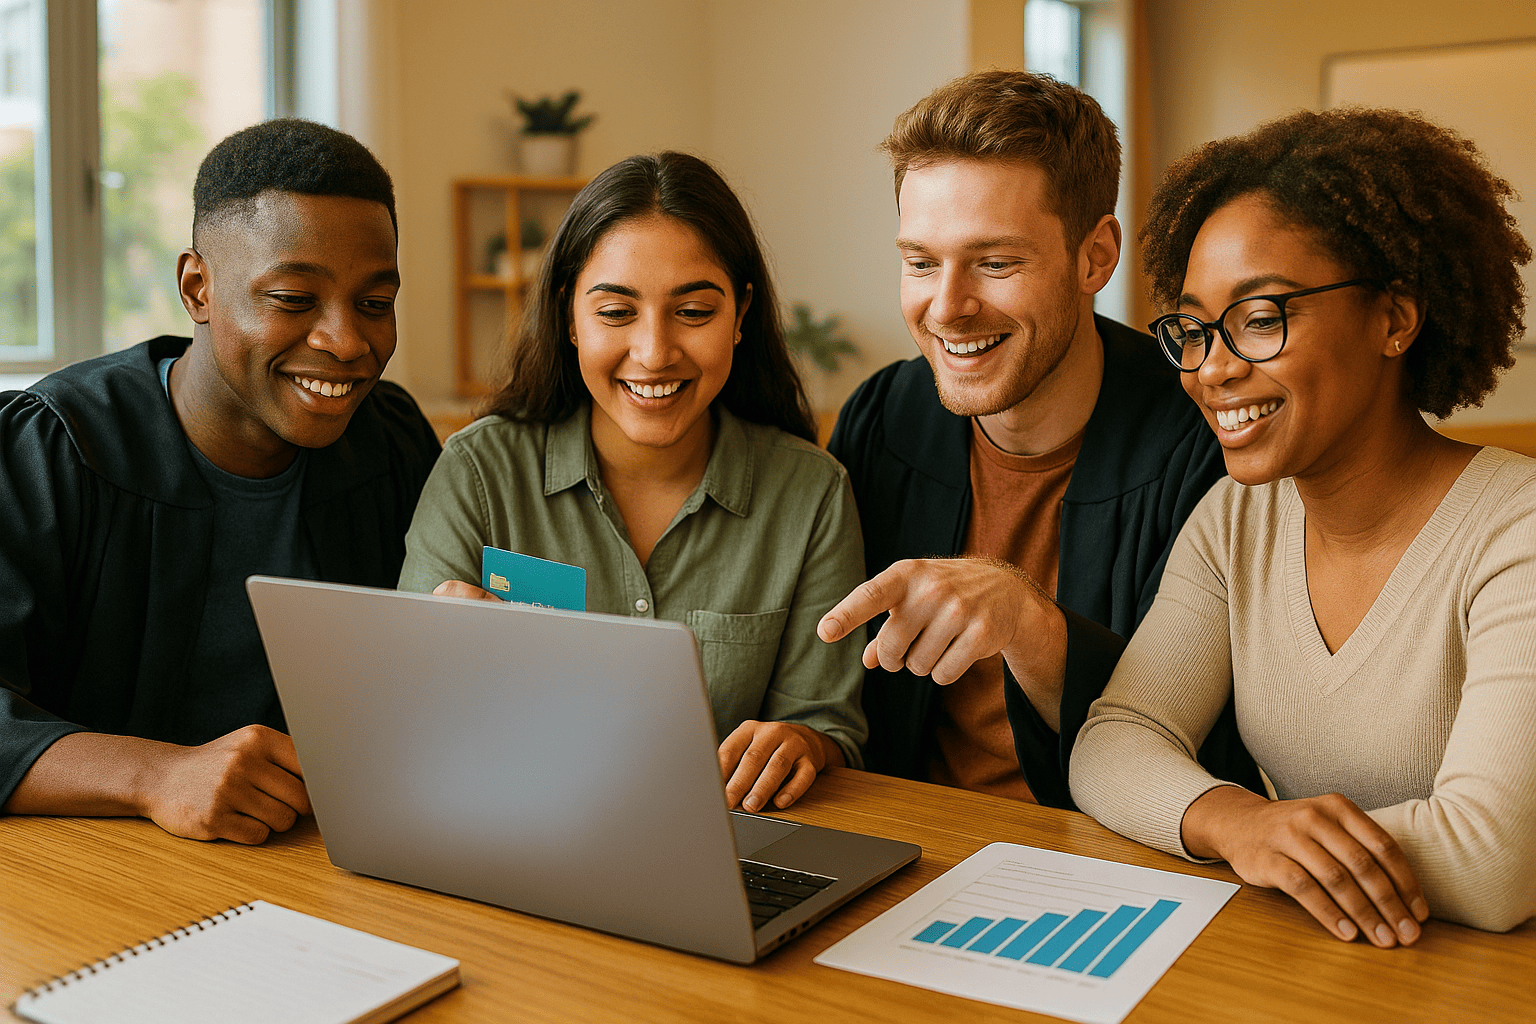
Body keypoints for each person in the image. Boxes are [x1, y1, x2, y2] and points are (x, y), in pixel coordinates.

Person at [1070, 108, 1536, 941]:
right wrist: (1234, 823)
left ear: (1394, 319)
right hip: (1325, 959)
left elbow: (1492, 860)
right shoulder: (1233, 521)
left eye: (1260, 318)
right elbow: (1114, 740)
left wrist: (1270, 841)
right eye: (1196, 328)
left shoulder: (1516, 532)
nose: (1213, 367)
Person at [816, 70, 1260, 807]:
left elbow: (1228, 750)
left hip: (1123, 863)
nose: (948, 308)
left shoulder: (1209, 439)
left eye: (995, 263)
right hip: (907, 842)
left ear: (1096, 256)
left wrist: (1030, 624)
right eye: (921, 263)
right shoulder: (881, 419)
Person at [0, 119, 441, 845]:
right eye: (294, 299)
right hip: (92, 880)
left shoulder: (387, 442)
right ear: (197, 287)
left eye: (374, 302)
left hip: (315, 867)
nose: (347, 342)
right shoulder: (54, 447)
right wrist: (154, 776)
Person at [398, 152, 867, 814]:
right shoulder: (480, 472)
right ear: (568, 317)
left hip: (728, 842)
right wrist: (428, 669)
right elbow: (411, 715)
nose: (653, 352)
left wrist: (805, 745)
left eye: (695, 311)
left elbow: (828, 725)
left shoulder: (811, 493)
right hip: (512, 823)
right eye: (616, 312)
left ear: (740, 315)